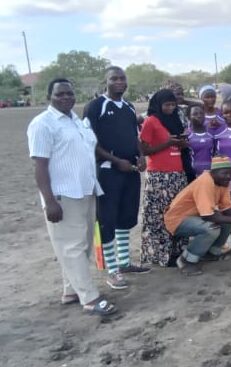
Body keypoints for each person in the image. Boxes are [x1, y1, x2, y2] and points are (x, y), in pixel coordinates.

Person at [28, 78, 117, 315]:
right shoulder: (43, 124)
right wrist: (49, 201)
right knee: (72, 247)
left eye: (69, 93)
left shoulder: (77, 121)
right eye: (60, 94)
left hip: (86, 190)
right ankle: (89, 298)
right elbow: (40, 165)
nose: (66, 97)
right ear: (50, 97)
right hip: (63, 195)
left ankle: (71, 290)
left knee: (83, 243)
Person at [84, 66, 150, 289]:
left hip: (130, 169)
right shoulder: (96, 107)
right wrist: (115, 161)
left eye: (122, 78)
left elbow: (134, 136)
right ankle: (112, 270)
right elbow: (90, 142)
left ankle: (124, 262)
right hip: (108, 171)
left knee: (126, 217)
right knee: (108, 219)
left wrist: (141, 156)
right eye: (115, 78)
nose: (120, 82)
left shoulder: (129, 107)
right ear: (106, 82)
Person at [164, 156, 231, 276]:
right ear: (213, 173)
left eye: (230, 173)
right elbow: (208, 216)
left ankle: (211, 253)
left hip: (197, 216)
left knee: (228, 221)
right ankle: (187, 260)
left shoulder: (223, 182)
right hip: (178, 220)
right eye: (224, 173)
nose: (228, 176)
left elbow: (227, 207)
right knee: (212, 228)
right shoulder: (205, 182)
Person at [139, 89, 191, 267]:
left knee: (177, 213)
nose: (170, 108)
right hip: (159, 177)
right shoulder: (151, 122)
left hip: (178, 174)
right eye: (166, 105)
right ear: (158, 105)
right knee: (159, 216)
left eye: (172, 105)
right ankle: (161, 254)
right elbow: (144, 150)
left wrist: (181, 144)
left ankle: (178, 251)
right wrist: (168, 143)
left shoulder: (176, 119)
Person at [187, 105, 215, 177]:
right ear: (189, 117)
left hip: (210, 174)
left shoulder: (212, 134)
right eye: (195, 114)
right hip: (192, 175)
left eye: (201, 113)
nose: (199, 116)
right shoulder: (187, 135)